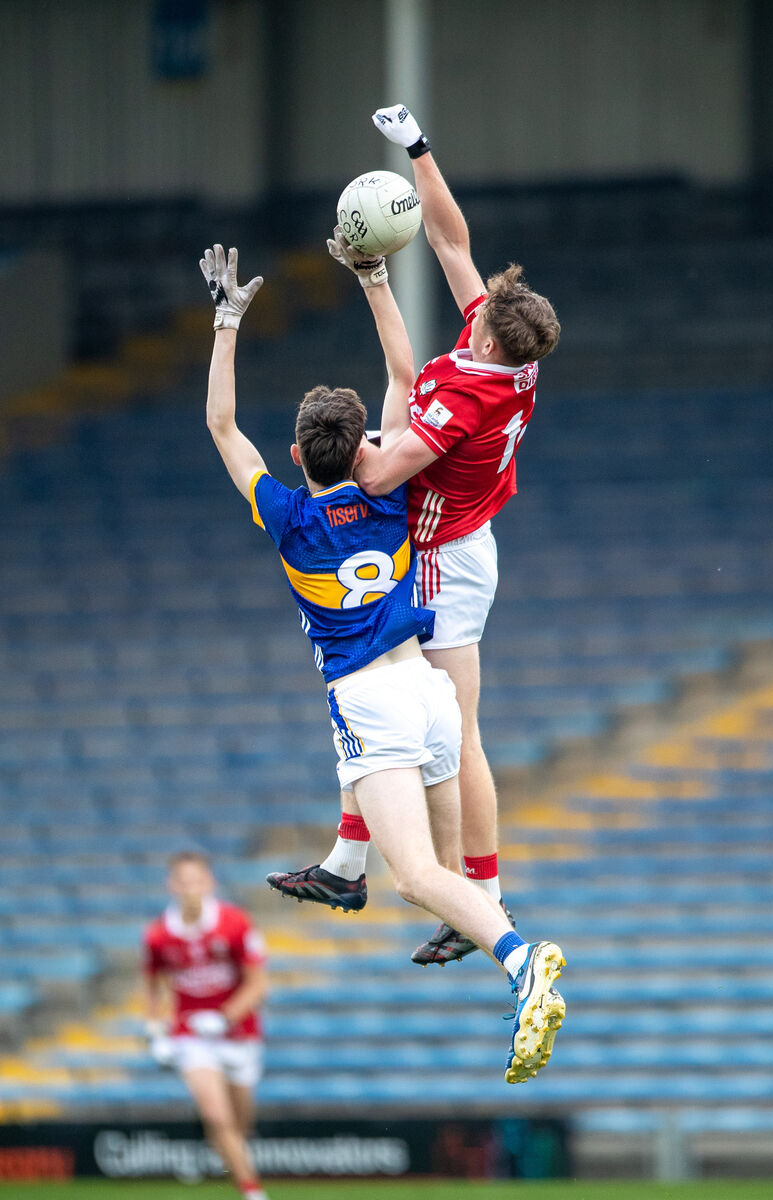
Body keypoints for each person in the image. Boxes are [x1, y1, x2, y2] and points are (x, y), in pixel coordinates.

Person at [198, 241, 565, 1083]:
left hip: (374, 703)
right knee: (445, 873)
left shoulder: (286, 516)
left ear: (294, 458)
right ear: (363, 439)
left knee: (419, 878)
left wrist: (227, 324)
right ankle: (376, 879)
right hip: (427, 688)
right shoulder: (392, 488)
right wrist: (371, 276)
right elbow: (403, 365)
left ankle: (524, 959)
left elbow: (222, 427)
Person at [275, 103, 561, 967]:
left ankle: (482, 893)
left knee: (450, 727)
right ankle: (349, 860)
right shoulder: (510, 356)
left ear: (479, 330)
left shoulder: (463, 398)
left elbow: (379, 475)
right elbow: (450, 242)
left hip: (441, 561)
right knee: (381, 694)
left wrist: (338, 442)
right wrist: (419, 150)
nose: (477, 294)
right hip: (455, 546)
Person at [143, 851, 269, 1200]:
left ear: (209, 882)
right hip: (190, 1035)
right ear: (172, 885)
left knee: (239, 1123)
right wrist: (156, 1033)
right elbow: (153, 989)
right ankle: (252, 1192)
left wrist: (223, 1017)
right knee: (215, 1115)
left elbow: (257, 984)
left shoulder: (235, 923)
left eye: (196, 880)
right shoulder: (157, 935)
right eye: (182, 882)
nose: (190, 889)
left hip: (239, 1034)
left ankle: (233, 1161)